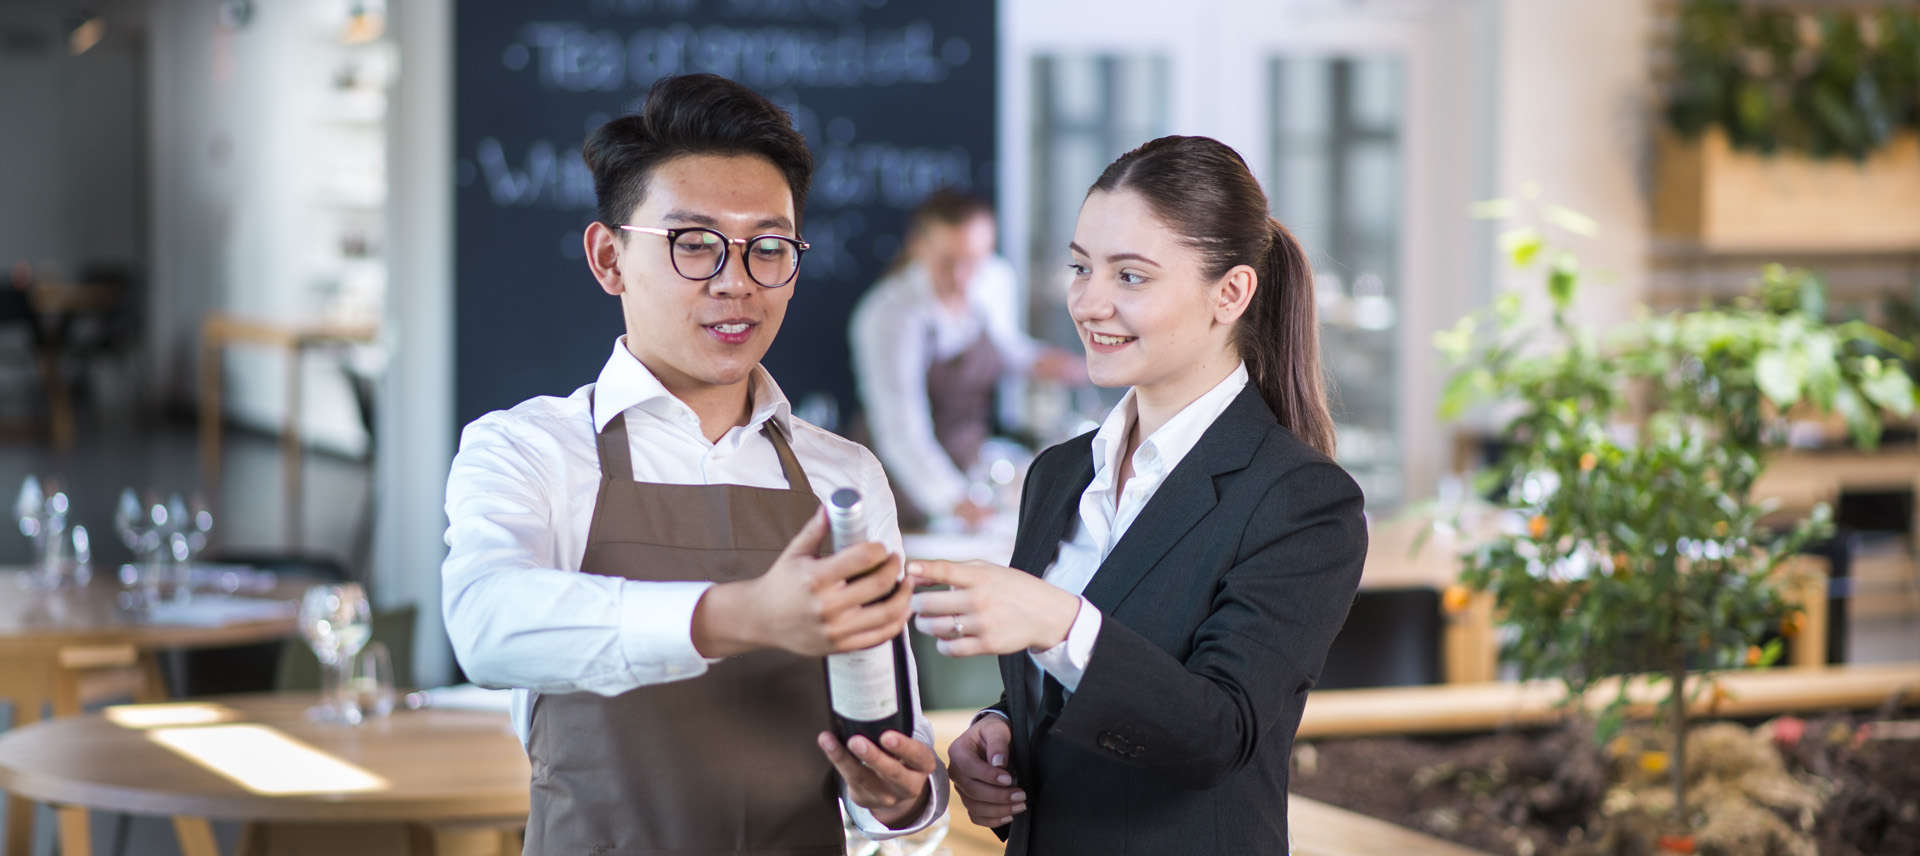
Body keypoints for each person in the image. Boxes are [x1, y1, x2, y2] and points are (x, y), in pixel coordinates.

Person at [441, 73, 946, 855]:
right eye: (695, 243)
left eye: (768, 247)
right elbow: (488, 626)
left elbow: (893, 750)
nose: (736, 280)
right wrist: (743, 615)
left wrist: (904, 800)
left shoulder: (845, 474)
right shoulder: (529, 448)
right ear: (609, 259)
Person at [907, 135, 1367, 854]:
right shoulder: (1059, 474)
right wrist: (999, 733)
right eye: (1081, 267)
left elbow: (1219, 732)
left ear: (1232, 292)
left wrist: (1058, 622)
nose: (1088, 303)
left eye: (1130, 277)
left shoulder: (1302, 501)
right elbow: (1081, 689)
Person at [850, 190, 1083, 530]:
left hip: (967, 460)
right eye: (947, 262)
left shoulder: (995, 278)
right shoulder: (889, 315)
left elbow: (1007, 347)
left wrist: (1049, 363)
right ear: (919, 246)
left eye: (973, 261)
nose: (962, 276)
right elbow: (900, 430)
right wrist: (953, 499)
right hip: (899, 481)